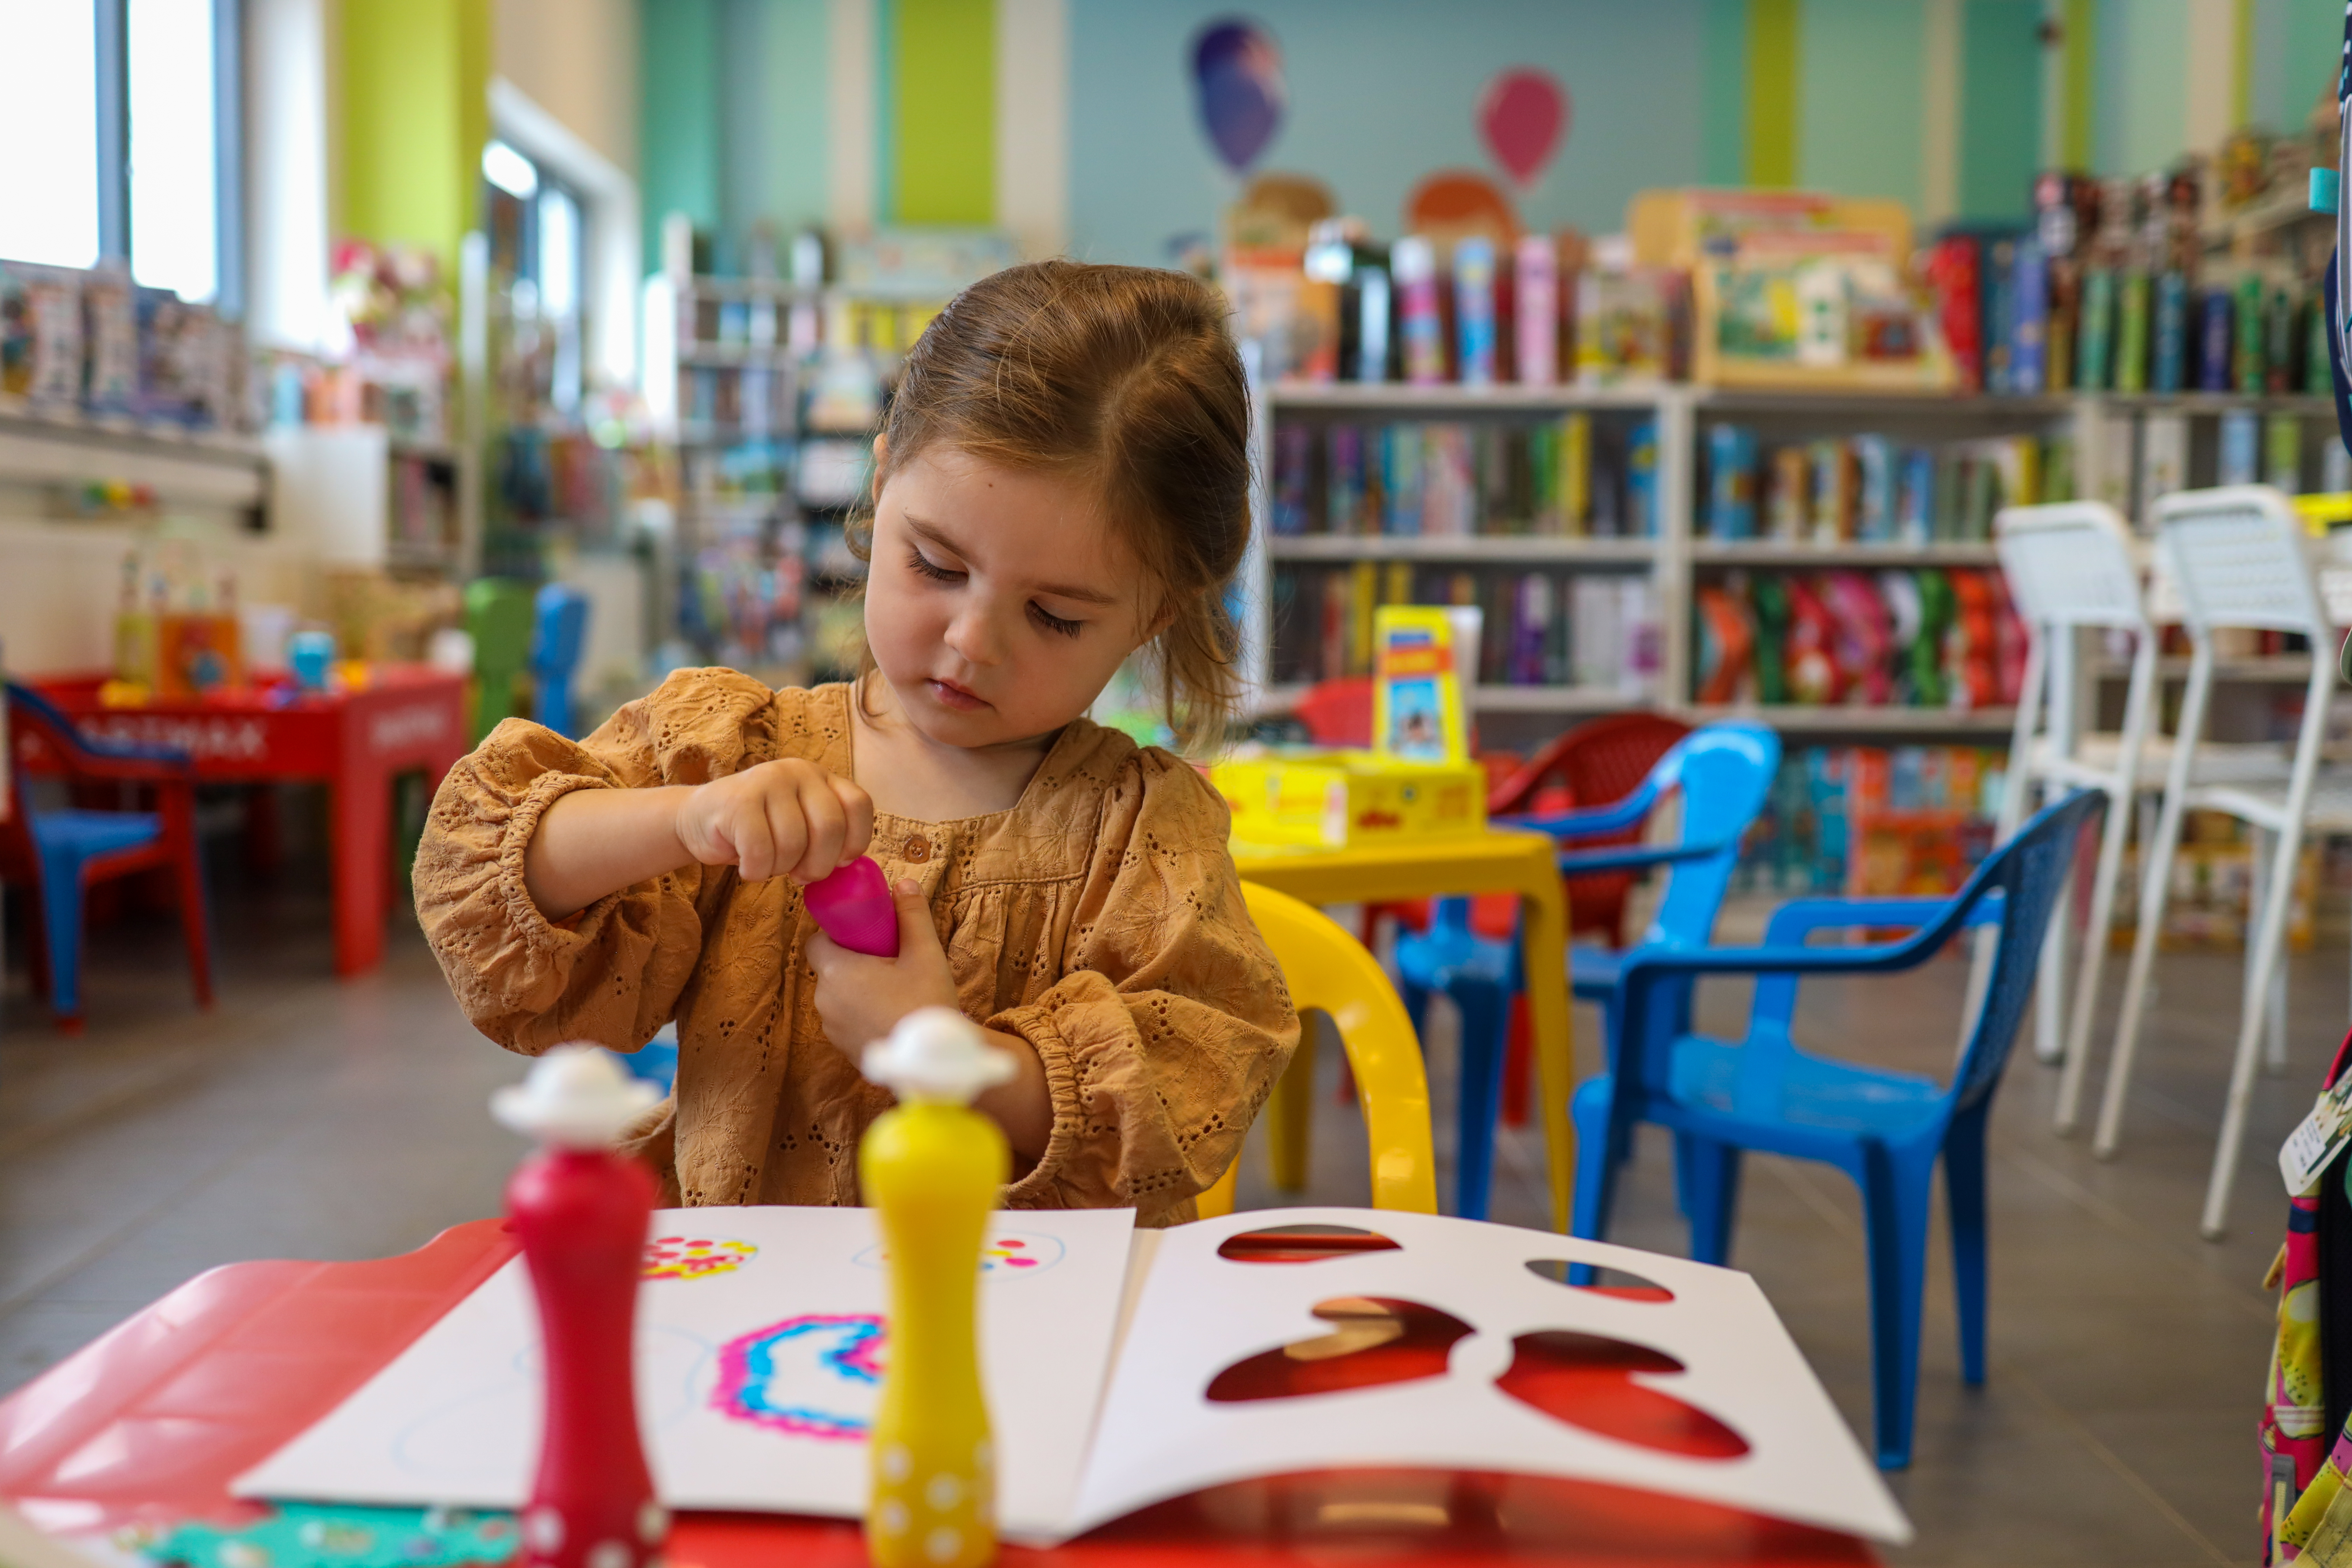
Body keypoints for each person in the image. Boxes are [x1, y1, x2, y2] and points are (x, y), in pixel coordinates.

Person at [414, 262, 1298, 1225]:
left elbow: (1182, 1103)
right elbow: (488, 875)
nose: (972, 643)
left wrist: (941, 1045)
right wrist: (689, 818)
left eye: (1052, 616)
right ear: (880, 489)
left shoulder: (1143, 837)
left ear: (1151, 615)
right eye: (936, 565)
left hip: (1014, 1334)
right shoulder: (736, 745)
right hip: (739, 1315)